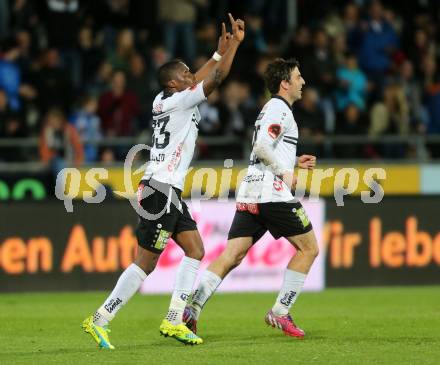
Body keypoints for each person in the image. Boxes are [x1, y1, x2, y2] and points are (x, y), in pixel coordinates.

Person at [82, 14, 245, 349]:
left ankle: (173, 320)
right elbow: (215, 78)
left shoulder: (163, 100)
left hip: (167, 188)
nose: (191, 76)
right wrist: (233, 49)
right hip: (160, 188)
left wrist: (217, 53)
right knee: (145, 264)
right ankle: (99, 319)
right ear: (175, 83)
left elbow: (204, 74)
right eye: (185, 73)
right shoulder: (184, 98)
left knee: (196, 250)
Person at [183, 58, 319, 339]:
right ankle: (280, 312)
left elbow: (265, 150)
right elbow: (260, 146)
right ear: (285, 83)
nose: (302, 82)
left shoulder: (271, 109)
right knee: (309, 249)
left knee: (232, 255)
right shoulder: (280, 109)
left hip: (252, 188)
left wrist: (292, 160)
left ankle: (192, 308)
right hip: (271, 193)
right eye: (298, 76)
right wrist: (286, 172)